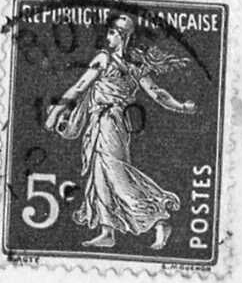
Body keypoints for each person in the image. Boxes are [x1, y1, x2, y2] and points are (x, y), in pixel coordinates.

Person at [44, 13, 197, 250]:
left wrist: (55, 113)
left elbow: (80, 86)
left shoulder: (107, 60)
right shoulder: (133, 67)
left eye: (112, 32)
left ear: (122, 36)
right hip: (102, 123)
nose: (108, 36)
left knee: (117, 175)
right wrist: (181, 107)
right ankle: (107, 231)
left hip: (110, 123)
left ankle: (158, 220)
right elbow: (158, 94)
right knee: (100, 175)